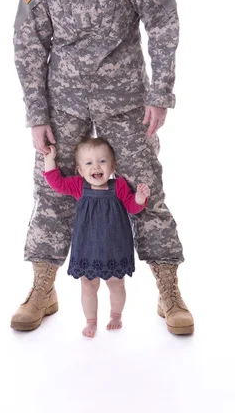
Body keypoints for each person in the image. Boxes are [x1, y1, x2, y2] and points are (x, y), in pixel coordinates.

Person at [11, 0, 194, 335]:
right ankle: (43, 289)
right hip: (65, 104)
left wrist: (160, 93)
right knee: (53, 193)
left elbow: (164, 20)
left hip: (127, 103)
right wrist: (37, 115)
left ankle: (169, 293)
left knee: (145, 190)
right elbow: (27, 48)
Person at [43, 136, 150, 337]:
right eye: (89, 163)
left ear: (112, 165)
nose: (96, 167)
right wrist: (49, 160)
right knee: (88, 285)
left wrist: (140, 198)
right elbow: (57, 184)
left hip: (115, 246)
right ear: (80, 170)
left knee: (116, 283)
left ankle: (116, 315)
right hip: (87, 247)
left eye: (102, 161)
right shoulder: (77, 186)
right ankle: (91, 321)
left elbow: (132, 206)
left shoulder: (118, 186)